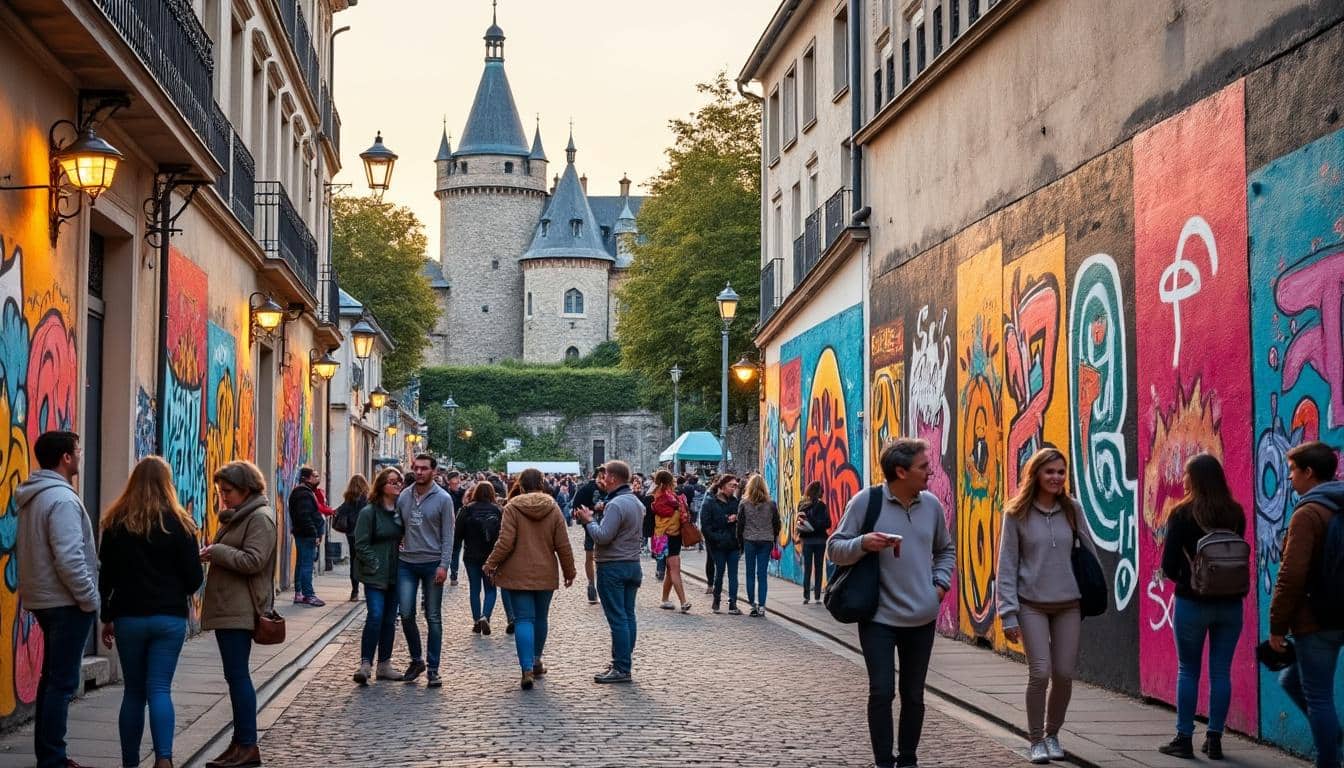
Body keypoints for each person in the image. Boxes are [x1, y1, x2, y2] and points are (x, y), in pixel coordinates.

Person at [829, 438, 955, 768]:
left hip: (922, 618)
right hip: (879, 618)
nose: (930, 472)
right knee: (882, 692)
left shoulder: (932, 507)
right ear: (901, 471)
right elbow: (835, 548)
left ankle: (908, 759)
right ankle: (884, 761)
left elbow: (946, 550)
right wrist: (864, 543)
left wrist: (939, 588)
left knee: (914, 695)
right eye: (924, 467)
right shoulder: (865, 502)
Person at [98, 456, 204, 768]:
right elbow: (195, 579)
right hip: (169, 617)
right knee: (159, 688)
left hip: (128, 616)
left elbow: (106, 577)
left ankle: (130, 762)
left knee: (133, 692)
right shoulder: (180, 523)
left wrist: (106, 616)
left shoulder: (115, 523)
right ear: (167, 483)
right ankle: (164, 759)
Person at [996, 447, 1099, 764]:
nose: (1056, 477)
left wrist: (1093, 590)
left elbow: (1089, 554)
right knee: (1040, 673)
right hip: (1031, 606)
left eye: (1061, 472)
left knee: (1064, 674)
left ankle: (1053, 734)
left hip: (1068, 604)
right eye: (1050, 471)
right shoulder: (1016, 514)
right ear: (1036, 474)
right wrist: (1008, 613)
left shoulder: (1073, 510)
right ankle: (1036, 740)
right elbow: (1007, 566)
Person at [1155, 453, 1248, 760]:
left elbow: (1168, 564)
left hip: (1192, 603)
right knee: (1221, 671)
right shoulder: (1235, 513)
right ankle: (1215, 739)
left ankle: (1184, 739)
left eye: (1186, 475)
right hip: (1231, 603)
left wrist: (1188, 578)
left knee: (1188, 670)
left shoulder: (1182, 514)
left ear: (1193, 480)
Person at [17, 431, 99, 768]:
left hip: (43, 598)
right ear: (66, 457)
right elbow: (69, 558)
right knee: (61, 683)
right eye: (77, 450)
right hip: (65, 602)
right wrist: (90, 599)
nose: (80, 455)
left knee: (51, 681)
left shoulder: (36, 495)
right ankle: (53, 758)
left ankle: (50, 755)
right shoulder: (62, 500)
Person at [200, 460, 279, 768]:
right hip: (230, 607)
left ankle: (247, 745)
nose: (223, 498)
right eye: (221, 492)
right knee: (234, 677)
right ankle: (239, 744)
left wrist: (216, 552)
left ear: (246, 489)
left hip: (241, 609)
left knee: (238, 676)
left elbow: (254, 560)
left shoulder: (259, 518)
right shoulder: (240, 517)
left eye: (228, 491)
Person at [1270, 441, 1344, 768]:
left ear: (1308, 472)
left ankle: (1329, 760)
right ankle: (1332, 739)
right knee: (1290, 679)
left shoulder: (1308, 513)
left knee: (1318, 697)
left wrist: (1276, 626)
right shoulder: (1337, 505)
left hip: (1316, 621)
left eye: (1292, 471)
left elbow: (1291, 575)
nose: (1289, 479)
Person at [483, 468, 576, 689]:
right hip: (545, 571)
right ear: (543, 484)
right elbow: (562, 544)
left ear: (521, 485)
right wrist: (569, 571)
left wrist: (490, 563)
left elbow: (505, 542)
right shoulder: (552, 508)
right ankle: (536, 661)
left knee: (524, 619)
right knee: (541, 618)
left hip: (517, 572)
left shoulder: (512, 507)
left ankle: (525, 668)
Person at [574, 460, 644, 683]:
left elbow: (603, 536)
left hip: (613, 565)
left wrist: (588, 521)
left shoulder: (616, 504)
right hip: (632, 564)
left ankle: (622, 667)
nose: (601, 480)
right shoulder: (634, 501)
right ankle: (622, 661)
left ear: (613, 478)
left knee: (618, 619)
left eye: (604, 476)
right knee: (628, 615)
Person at [393, 454, 454, 687]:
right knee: (406, 613)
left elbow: (448, 536)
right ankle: (416, 659)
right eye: (416, 468)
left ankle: (433, 668)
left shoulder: (444, 499)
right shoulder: (404, 496)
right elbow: (398, 524)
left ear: (434, 472)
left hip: (432, 563)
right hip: (406, 562)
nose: (419, 472)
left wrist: (444, 565)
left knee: (433, 616)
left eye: (424, 469)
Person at [352, 467, 405, 686]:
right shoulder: (369, 512)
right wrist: (374, 562)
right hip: (375, 574)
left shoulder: (402, 511)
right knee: (375, 615)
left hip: (397, 572)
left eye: (399, 481)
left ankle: (384, 664)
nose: (397, 485)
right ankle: (365, 663)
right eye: (392, 481)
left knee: (390, 620)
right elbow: (360, 543)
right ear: (382, 485)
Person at [455, 481, 504, 634]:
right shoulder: (497, 510)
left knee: (474, 589)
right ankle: (485, 616)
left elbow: (458, 533)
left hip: (471, 555)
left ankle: (476, 620)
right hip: (491, 556)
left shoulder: (466, 510)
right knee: (490, 589)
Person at [737, 475, 781, 617]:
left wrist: (740, 543)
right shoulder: (771, 504)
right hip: (766, 540)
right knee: (762, 575)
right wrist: (774, 538)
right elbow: (777, 524)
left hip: (749, 540)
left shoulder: (744, 503)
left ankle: (752, 605)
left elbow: (740, 524)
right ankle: (762, 605)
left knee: (750, 573)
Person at [700, 474, 742, 614]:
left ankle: (732, 602)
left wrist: (736, 520)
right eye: (732, 485)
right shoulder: (710, 502)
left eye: (736, 486)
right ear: (722, 486)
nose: (734, 488)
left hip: (733, 544)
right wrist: (718, 536)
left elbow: (741, 522)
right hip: (718, 545)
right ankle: (716, 598)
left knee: (733, 574)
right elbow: (705, 527)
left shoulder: (735, 502)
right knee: (720, 573)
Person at [651, 470, 691, 612]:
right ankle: (684, 602)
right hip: (673, 536)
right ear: (670, 482)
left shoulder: (654, 497)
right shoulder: (673, 498)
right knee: (675, 569)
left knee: (670, 570)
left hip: (660, 536)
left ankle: (665, 599)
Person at [286, 467, 325, 607]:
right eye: (315, 476)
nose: (317, 479)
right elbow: (305, 516)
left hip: (302, 533)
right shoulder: (303, 494)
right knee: (307, 565)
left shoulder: (303, 492)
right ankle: (309, 595)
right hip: (306, 535)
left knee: (301, 563)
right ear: (306, 478)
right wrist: (314, 533)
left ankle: (299, 593)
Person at [572, 466, 608, 604]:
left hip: (608, 526)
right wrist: (593, 508)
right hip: (591, 527)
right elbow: (576, 508)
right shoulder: (588, 488)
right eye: (605, 474)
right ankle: (591, 585)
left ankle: (602, 587)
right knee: (590, 556)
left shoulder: (613, 489)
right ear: (600, 475)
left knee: (603, 558)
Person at [332, 475, 370, 601]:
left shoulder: (349, 499)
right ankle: (368, 589)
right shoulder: (367, 499)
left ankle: (355, 592)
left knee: (354, 561)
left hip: (351, 535)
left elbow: (339, 511)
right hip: (365, 534)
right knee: (366, 560)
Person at [797, 481, 831, 605]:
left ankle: (806, 596)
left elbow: (799, 523)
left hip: (807, 540)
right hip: (820, 540)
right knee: (818, 568)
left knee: (807, 568)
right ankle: (817, 596)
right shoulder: (822, 506)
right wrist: (817, 524)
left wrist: (809, 523)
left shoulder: (802, 506)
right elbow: (828, 523)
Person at [443, 471, 466, 585]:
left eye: (458, 479)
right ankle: (441, 571)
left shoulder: (463, 492)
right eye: (455, 479)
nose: (457, 481)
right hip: (445, 525)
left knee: (456, 551)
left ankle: (453, 575)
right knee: (444, 550)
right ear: (449, 481)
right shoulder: (443, 492)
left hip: (458, 526)